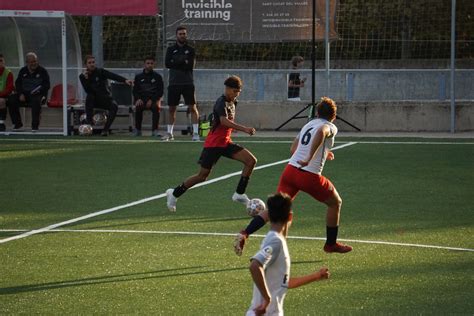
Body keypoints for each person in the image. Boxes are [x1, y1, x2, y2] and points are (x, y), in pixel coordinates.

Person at [235, 97, 353, 256]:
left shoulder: (308, 124)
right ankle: (330, 244)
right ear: (334, 116)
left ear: (317, 113)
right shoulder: (330, 126)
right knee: (335, 203)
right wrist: (310, 157)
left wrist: (322, 152)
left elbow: (293, 149)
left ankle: (245, 233)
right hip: (309, 175)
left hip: (290, 171)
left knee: (275, 209)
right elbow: (322, 132)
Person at [165, 75, 257, 212]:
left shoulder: (233, 102)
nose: (237, 94)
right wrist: (244, 129)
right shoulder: (221, 102)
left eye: (239, 92)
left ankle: (239, 194)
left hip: (225, 143)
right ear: (228, 89)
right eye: (235, 91)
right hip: (213, 145)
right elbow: (223, 121)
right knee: (202, 176)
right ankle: (174, 193)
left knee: (251, 161)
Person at [247, 192, 330, 316]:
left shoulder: (276, 240)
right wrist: (267, 299)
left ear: (268, 216)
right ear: (290, 217)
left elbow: (284, 283)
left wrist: (316, 276)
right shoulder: (276, 241)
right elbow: (255, 265)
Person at [162, 25, 200, 141]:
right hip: (174, 83)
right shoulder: (170, 49)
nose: (182, 35)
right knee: (172, 109)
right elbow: (168, 64)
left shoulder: (191, 49)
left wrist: (177, 61)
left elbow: (190, 66)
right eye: (180, 34)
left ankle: (195, 134)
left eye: (184, 34)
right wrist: (183, 60)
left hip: (188, 82)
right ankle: (170, 133)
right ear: (176, 35)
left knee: (192, 107)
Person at [79, 55, 133, 136]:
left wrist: (125, 80)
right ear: (86, 65)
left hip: (104, 98)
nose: (92, 64)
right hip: (93, 100)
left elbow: (112, 75)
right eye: (89, 63)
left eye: (93, 62)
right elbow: (88, 90)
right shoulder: (82, 76)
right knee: (90, 96)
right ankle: (88, 124)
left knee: (114, 106)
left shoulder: (100, 72)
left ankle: (105, 129)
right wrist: (86, 79)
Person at [9, 52, 50, 132]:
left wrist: (38, 90)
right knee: (11, 99)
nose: (34, 63)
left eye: (35, 61)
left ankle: (34, 126)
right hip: (24, 94)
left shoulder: (43, 71)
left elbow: (46, 85)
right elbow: (18, 83)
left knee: (36, 101)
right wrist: (20, 93)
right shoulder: (23, 71)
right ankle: (17, 124)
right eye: (31, 62)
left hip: (37, 94)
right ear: (27, 62)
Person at [132, 56, 164, 137]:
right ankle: (138, 130)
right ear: (144, 64)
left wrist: (152, 100)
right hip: (142, 99)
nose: (149, 65)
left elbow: (160, 91)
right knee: (138, 107)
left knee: (156, 108)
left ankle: (155, 130)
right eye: (148, 63)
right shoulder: (138, 77)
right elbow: (135, 90)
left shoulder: (158, 77)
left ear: (154, 65)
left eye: (151, 63)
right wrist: (138, 99)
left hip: (153, 100)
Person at [0, 54, 14, 132]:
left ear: (4, 62)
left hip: (4, 96)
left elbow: (9, 88)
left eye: (1, 61)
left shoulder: (8, 73)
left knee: (1, 101)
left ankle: (1, 123)